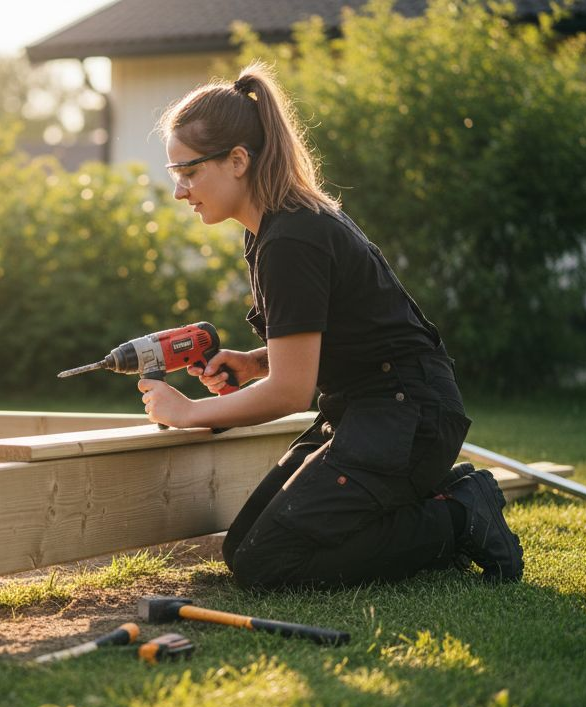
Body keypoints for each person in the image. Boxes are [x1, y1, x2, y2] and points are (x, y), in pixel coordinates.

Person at [137, 62, 524, 588]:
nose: (180, 191)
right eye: (174, 174)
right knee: (243, 545)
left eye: (188, 172)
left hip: (407, 417)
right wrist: (256, 363)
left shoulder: (291, 238)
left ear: (237, 160)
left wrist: (188, 413)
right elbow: (334, 336)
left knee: (267, 563)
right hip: (370, 410)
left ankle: (460, 516)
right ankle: (434, 502)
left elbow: (292, 392)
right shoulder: (276, 228)